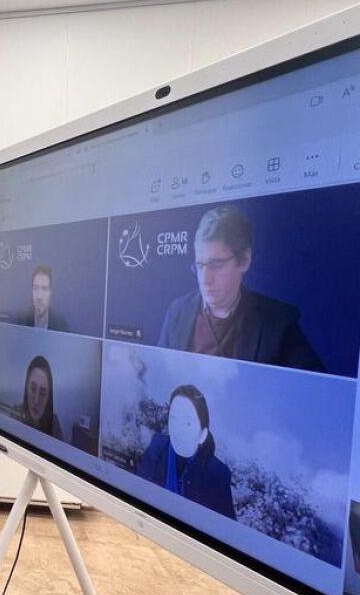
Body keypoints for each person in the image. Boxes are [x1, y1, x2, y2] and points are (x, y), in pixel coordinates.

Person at [157, 206, 323, 371]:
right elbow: (160, 375)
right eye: (200, 265)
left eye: (216, 264)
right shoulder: (177, 312)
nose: (205, 280)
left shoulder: (278, 322)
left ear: (244, 260)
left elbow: (314, 384)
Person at [136, 385, 235, 519]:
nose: (178, 430)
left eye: (188, 423)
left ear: (202, 435)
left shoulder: (218, 474)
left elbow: (224, 525)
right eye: (173, 418)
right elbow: (138, 490)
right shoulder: (157, 446)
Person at [19, 355, 64, 439]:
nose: (36, 401)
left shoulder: (54, 423)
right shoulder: (16, 413)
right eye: (33, 389)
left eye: (42, 394)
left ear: (48, 397)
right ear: (26, 388)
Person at [21, 264, 68, 332]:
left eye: (44, 289)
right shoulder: (21, 321)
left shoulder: (61, 326)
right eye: (36, 288)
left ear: (50, 292)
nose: (39, 296)